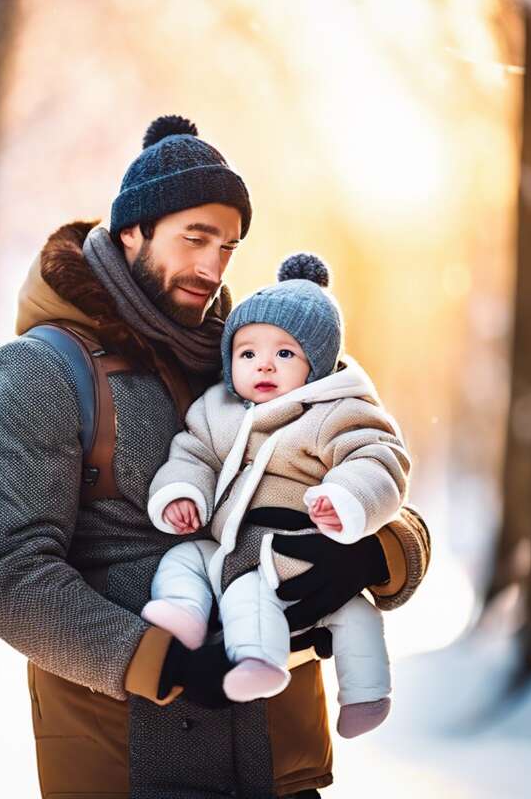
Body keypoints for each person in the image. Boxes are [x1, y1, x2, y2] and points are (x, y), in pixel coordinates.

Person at [0, 115, 431, 798]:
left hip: (280, 762)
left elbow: (378, 462)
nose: (213, 267)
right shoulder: (40, 372)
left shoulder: (254, 359)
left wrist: (371, 550)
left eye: (230, 246)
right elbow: (9, 576)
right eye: (195, 238)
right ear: (133, 231)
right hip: (134, 761)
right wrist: (163, 663)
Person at [144, 253, 409, 740]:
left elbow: (378, 459)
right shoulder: (217, 410)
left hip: (298, 543)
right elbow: (192, 455)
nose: (263, 363)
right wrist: (182, 495)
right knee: (184, 557)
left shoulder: (334, 411)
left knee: (316, 606)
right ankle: (183, 611)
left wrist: (345, 499)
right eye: (247, 354)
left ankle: (279, 667)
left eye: (285, 354)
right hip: (229, 541)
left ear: (317, 364)